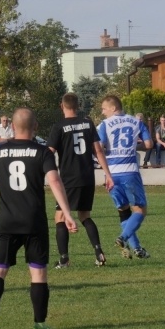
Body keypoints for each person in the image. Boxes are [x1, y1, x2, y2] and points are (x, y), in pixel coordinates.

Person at [0, 108, 77, 329]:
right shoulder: (42, 152)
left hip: (6, 222)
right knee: (38, 272)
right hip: (34, 221)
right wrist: (67, 213)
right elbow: (55, 182)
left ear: (12, 126)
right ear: (36, 127)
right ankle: (39, 323)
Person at [47, 93, 114, 268]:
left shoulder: (59, 127)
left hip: (69, 180)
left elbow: (49, 152)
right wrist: (108, 174)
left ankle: (64, 260)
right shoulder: (88, 123)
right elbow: (98, 151)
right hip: (87, 178)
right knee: (85, 216)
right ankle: (99, 252)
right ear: (77, 106)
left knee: (60, 217)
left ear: (62, 106)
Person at [97, 95, 152, 259]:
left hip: (112, 174)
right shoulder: (136, 122)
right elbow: (149, 145)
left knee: (123, 211)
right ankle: (123, 238)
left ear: (113, 108)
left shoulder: (104, 125)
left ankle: (137, 249)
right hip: (129, 171)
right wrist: (136, 146)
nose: (102, 112)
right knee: (140, 209)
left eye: (104, 109)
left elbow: (99, 147)